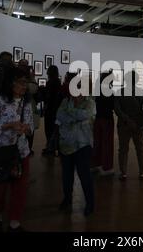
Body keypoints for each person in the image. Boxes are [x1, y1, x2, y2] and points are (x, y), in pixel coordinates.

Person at [0, 67, 34, 232]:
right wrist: (8, 125)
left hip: (21, 151)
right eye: (21, 82)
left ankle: (14, 222)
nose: (25, 86)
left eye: (26, 82)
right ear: (10, 82)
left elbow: (31, 126)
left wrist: (27, 128)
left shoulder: (26, 102)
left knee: (20, 188)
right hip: (0, 151)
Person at [56, 75, 96, 216]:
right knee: (66, 176)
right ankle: (67, 198)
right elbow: (60, 116)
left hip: (83, 144)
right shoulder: (65, 101)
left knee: (84, 175)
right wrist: (75, 116)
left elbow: (85, 115)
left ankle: (90, 203)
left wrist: (71, 115)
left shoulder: (89, 102)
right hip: (66, 144)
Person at [114, 70, 143, 181]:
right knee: (141, 149)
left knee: (123, 149)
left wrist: (127, 119)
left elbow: (117, 110)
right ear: (137, 80)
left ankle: (124, 172)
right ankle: (142, 172)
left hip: (124, 125)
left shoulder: (119, 92)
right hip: (138, 125)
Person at [92, 71, 115, 175]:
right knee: (107, 144)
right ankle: (106, 167)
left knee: (97, 143)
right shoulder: (109, 92)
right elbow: (113, 106)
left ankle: (96, 164)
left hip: (98, 119)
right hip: (107, 120)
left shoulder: (97, 90)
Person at [18, 59, 40, 156]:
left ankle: (28, 149)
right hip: (19, 108)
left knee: (29, 129)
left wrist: (32, 78)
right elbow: (32, 89)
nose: (24, 67)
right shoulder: (17, 77)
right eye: (22, 65)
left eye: (25, 65)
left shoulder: (28, 78)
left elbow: (33, 90)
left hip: (29, 107)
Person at [41, 66, 63, 157]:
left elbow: (48, 97)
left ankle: (50, 149)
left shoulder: (50, 83)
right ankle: (54, 148)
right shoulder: (58, 82)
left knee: (49, 129)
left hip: (50, 110)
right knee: (55, 130)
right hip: (56, 109)